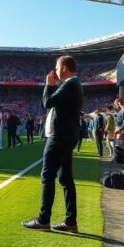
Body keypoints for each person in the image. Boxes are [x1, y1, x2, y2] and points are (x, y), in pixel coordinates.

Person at [22, 55, 83, 232]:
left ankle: (43, 220)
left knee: (47, 176)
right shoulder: (72, 84)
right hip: (67, 136)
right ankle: (71, 222)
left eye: (57, 67)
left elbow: (47, 102)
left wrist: (48, 85)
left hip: (60, 137)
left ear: (64, 68)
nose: (55, 71)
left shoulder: (70, 83)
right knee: (65, 179)